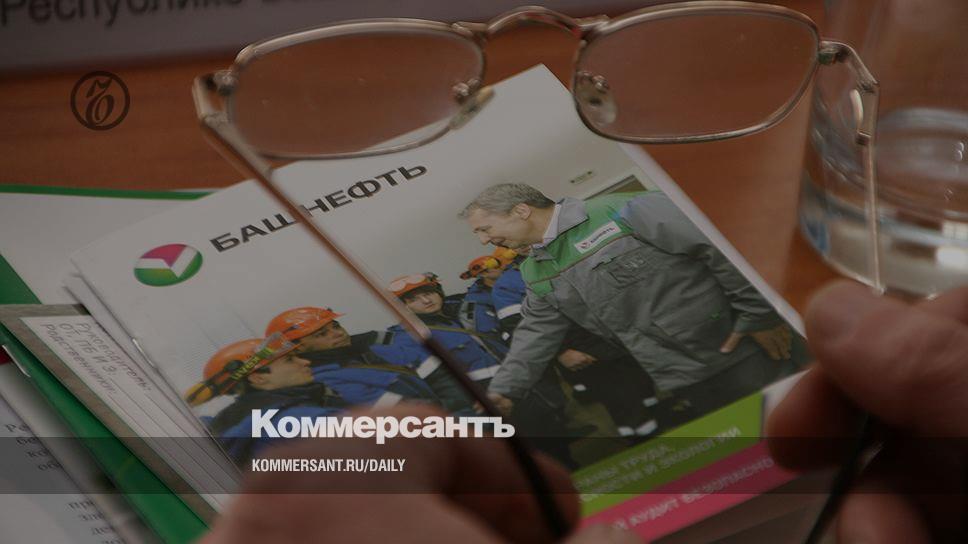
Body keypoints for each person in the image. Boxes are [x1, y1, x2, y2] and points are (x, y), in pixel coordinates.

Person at [201, 281, 968, 544]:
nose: (311, 351)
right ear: (260, 371)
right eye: (298, 347)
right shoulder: (307, 398)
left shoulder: (346, 370)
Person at [459, 183, 808, 418]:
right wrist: (505, 390)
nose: (484, 241)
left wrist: (759, 316)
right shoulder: (535, 270)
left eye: (485, 229)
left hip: (744, 349)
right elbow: (536, 332)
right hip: (682, 375)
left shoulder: (623, 209)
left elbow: (721, 248)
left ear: (521, 210)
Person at [184, 336, 346, 464]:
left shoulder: (225, 422)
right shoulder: (298, 419)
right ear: (258, 378)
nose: (305, 361)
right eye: (290, 360)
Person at [265, 307, 437, 408]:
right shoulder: (324, 380)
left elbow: (438, 375)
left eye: (336, 326)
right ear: (299, 348)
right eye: (322, 334)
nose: (338, 333)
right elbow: (407, 414)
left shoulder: (369, 349)